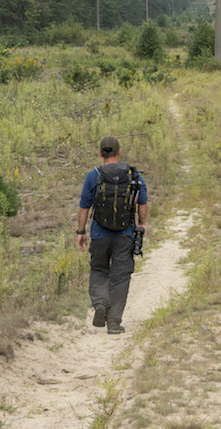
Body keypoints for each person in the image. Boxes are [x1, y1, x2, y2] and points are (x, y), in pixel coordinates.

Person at [76, 135, 148, 335]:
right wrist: (142, 224)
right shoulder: (133, 175)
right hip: (125, 234)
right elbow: (142, 201)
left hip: (100, 234)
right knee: (120, 277)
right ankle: (114, 323)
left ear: (100, 153)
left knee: (99, 270)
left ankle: (100, 304)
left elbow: (84, 207)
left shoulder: (94, 175)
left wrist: (81, 232)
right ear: (119, 152)